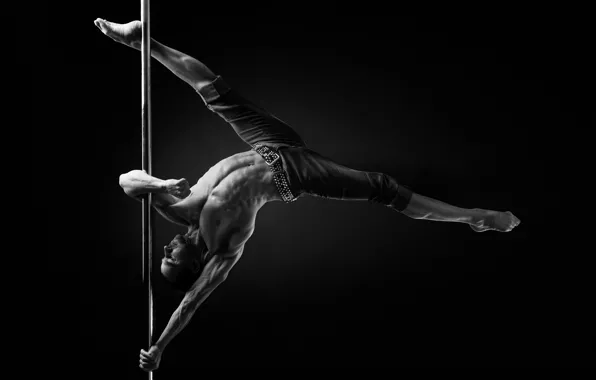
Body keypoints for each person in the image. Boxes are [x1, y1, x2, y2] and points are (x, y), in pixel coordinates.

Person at [95, 18, 521, 372]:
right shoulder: (225, 251)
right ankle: (472, 216)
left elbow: (126, 181)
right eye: (172, 260)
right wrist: (161, 348)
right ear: (195, 265)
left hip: (269, 142)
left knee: (212, 90)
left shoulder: (181, 211)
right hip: (293, 175)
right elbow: (188, 305)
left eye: (163, 255)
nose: (166, 249)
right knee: (381, 187)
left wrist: (159, 185)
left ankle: (141, 41)